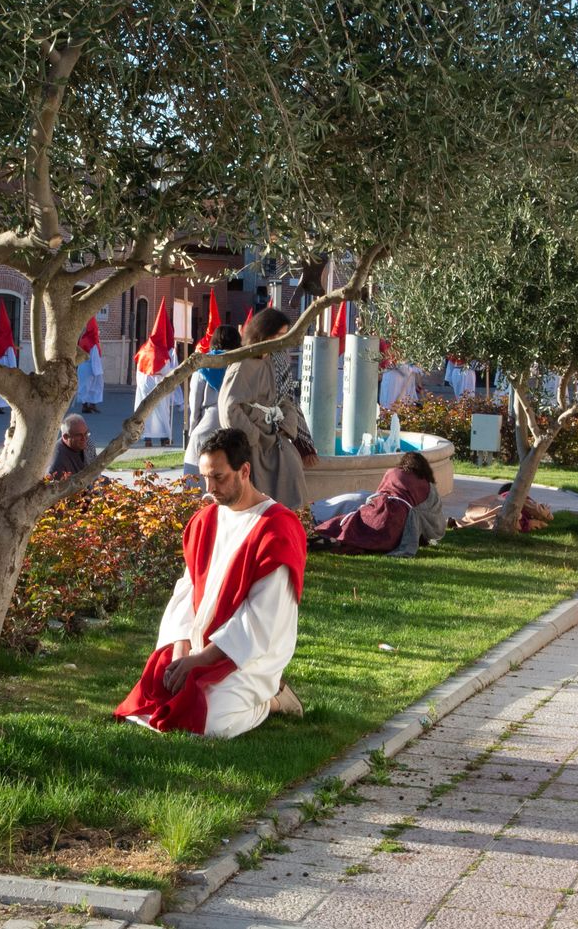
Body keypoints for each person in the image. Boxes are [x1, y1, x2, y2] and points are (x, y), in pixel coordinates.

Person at [114, 427, 306, 737]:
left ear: (244, 471)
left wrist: (203, 658)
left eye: (218, 477)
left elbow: (264, 616)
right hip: (198, 642)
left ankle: (273, 700)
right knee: (153, 700)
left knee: (211, 723)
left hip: (249, 652)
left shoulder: (277, 529)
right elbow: (187, 591)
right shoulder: (205, 521)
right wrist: (181, 650)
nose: (210, 487)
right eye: (205, 477)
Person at [217, 307, 311, 509]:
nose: (281, 340)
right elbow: (229, 408)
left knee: (292, 468)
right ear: (263, 333)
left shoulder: (274, 361)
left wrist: (286, 424)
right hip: (254, 446)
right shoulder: (243, 365)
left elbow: (285, 398)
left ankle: (296, 522)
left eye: (284, 335)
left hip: (274, 438)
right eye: (277, 335)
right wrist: (253, 436)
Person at [311, 452, 442, 556]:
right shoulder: (428, 486)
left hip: (382, 511)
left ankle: (321, 535)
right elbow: (430, 513)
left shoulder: (393, 472)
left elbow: (379, 494)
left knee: (349, 525)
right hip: (400, 525)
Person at [184, 325, 241, 464]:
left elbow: (195, 401)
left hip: (208, 423)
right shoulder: (242, 365)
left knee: (196, 471)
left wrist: (193, 429)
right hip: (235, 424)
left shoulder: (204, 366)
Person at [133, 304, 179, 446]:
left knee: (146, 412)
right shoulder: (162, 353)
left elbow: (138, 368)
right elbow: (167, 372)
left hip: (143, 385)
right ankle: (165, 438)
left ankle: (147, 439)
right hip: (158, 384)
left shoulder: (143, 349)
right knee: (162, 412)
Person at [48, 413, 93, 479]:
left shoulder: (88, 442)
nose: (84, 438)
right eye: (78, 435)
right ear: (65, 437)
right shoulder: (58, 463)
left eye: (86, 433)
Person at [75, 316, 105, 414]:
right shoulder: (90, 341)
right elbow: (93, 356)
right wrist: (97, 370)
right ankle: (85, 406)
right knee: (87, 386)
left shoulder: (86, 339)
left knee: (93, 386)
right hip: (89, 367)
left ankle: (91, 405)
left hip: (89, 367)